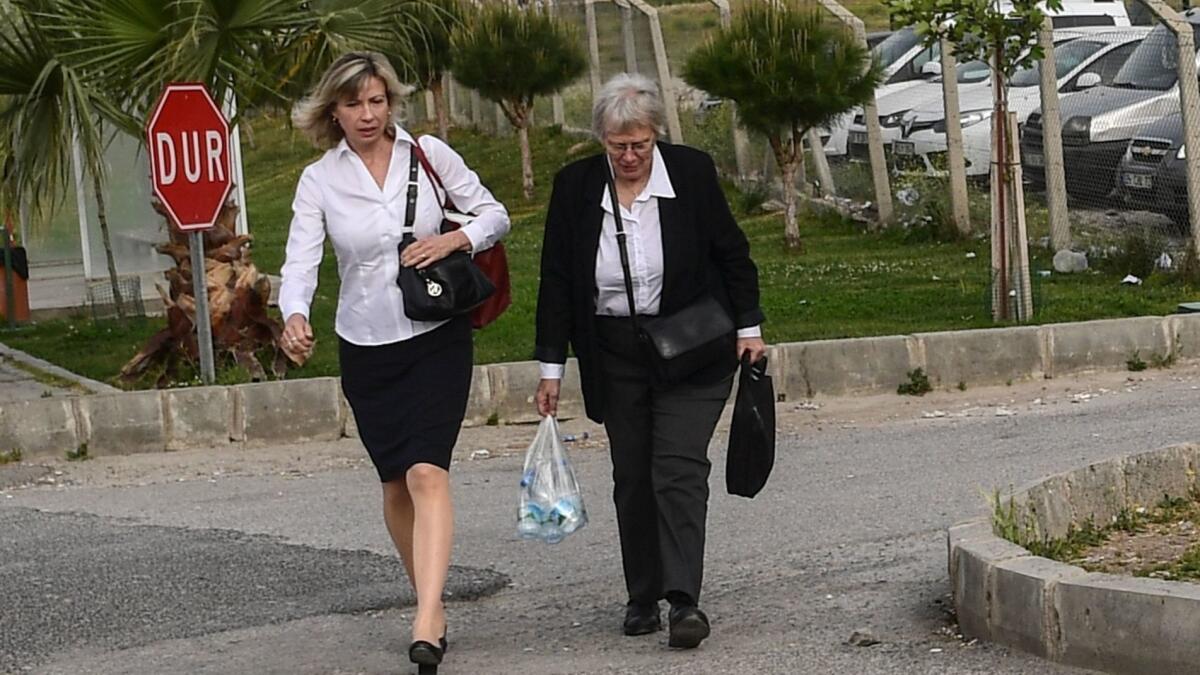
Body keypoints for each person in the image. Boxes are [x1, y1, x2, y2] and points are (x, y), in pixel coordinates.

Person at [278, 51, 509, 673]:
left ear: (391, 102)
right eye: (353, 104)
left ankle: (428, 617)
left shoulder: (428, 154)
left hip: (436, 334)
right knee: (393, 481)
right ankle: (427, 598)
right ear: (333, 111)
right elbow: (301, 261)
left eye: (377, 101)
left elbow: (494, 214)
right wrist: (293, 315)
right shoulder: (320, 180)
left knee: (427, 472)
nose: (367, 114)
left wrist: (453, 239)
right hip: (366, 343)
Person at [533, 73, 766, 649]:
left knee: (679, 469)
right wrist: (550, 370)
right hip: (614, 352)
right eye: (618, 146)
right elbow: (557, 282)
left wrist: (750, 329)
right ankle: (643, 595)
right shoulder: (575, 187)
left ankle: (684, 599)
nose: (630, 156)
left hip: (691, 348)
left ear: (656, 136)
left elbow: (732, 252)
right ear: (602, 142)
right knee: (633, 475)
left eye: (640, 144)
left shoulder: (690, 172)